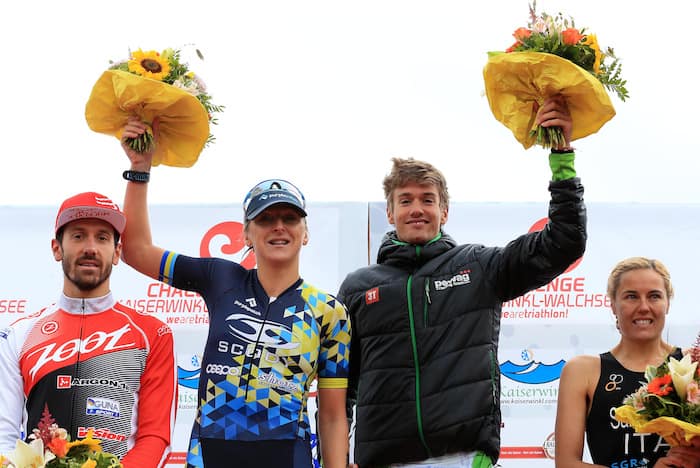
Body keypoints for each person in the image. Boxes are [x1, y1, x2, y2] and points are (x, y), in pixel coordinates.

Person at [337, 96, 587, 467]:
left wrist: (562, 158)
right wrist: (337, 455)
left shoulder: (478, 266)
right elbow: (341, 388)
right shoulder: (358, 287)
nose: (417, 208)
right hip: (383, 459)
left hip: (464, 456)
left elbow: (563, 243)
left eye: (427, 199)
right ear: (390, 212)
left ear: (445, 211)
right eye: (405, 201)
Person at [119, 117, 351, 468]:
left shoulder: (329, 311)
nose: (278, 226)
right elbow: (135, 250)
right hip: (212, 454)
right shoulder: (221, 278)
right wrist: (140, 168)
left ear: (305, 233)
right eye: (265, 219)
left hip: (288, 456)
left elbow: (332, 416)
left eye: (290, 218)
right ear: (246, 235)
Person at [0, 191, 177, 467]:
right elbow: (4, 437)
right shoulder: (18, 334)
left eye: (103, 237)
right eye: (78, 235)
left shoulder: (152, 334)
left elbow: (156, 437)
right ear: (57, 248)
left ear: (117, 252)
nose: (90, 247)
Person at [555, 257, 700, 468]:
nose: (643, 307)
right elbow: (566, 464)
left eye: (654, 296)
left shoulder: (693, 364)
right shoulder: (582, 371)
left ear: (667, 303)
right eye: (631, 297)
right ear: (613, 304)